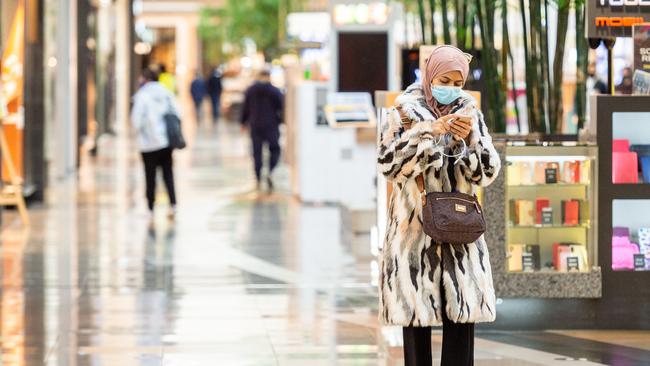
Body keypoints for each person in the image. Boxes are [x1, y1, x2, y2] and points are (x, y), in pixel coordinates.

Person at [377, 45, 501, 366]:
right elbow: (389, 166)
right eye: (445, 80)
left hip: (459, 234)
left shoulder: (470, 114)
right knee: (416, 325)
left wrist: (467, 139)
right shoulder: (401, 113)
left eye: (458, 82)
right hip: (414, 236)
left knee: (460, 322)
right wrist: (427, 133)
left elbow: (486, 172)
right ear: (430, 76)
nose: (452, 89)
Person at [131, 67, 180, 221]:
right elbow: (178, 112)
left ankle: (150, 209)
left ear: (145, 79)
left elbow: (135, 121)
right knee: (168, 174)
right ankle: (173, 204)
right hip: (166, 142)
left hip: (149, 144)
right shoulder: (166, 92)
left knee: (150, 176)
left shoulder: (142, 96)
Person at [240, 68, 284, 191]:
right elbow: (282, 107)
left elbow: (245, 108)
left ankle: (258, 176)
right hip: (271, 124)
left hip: (255, 124)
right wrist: (281, 121)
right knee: (275, 149)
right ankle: (270, 171)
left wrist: (243, 122)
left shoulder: (250, 90)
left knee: (256, 152)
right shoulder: (274, 91)